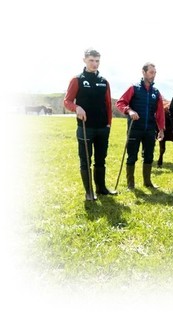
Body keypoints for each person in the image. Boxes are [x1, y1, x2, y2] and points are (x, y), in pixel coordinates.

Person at [64, 48, 117, 200]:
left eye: (97, 61)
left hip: (102, 128)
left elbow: (108, 104)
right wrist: (77, 107)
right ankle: (89, 192)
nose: (95, 64)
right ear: (85, 60)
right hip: (85, 128)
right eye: (91, 61)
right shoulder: (77, 79)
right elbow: (67, 101)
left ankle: (101, 188)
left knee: (101, 159)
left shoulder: (104, 81)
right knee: (86, 159)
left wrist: (108, 124)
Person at [115, 62, 165, 189]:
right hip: (134, 129)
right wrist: (129, 110)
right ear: (143, 72)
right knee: (132, 156)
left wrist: (161, 129)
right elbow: (120, 103)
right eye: (151, 72)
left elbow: (159, 113)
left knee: (149, 156)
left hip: (149, 130)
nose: (153, 75)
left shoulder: (156, 92)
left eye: (155, 72)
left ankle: (147, 182)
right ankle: (130, 184)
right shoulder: (133, 88)